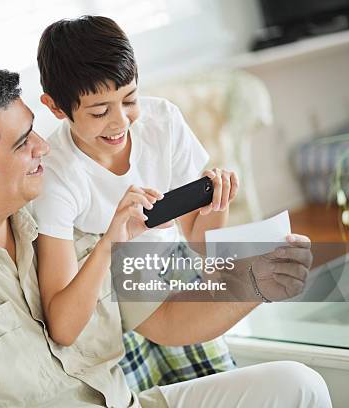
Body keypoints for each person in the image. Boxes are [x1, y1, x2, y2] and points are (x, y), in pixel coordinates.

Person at [0, 65, 331, 407]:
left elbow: (167, 319)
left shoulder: (59, 217)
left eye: (34, 131)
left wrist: (256, 281)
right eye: (22, 143)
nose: (44, 147)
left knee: (296, 385)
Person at [32, 15, 235, 387]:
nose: (120, 122)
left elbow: (202, 248)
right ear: (56, 107)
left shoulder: (163, 122)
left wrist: (215, 206)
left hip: (174, 274)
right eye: (98, 111)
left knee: (217, 381)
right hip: (108, 301)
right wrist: (112, 238)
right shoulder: (55, 175)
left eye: (129, 99)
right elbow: (61, 323)